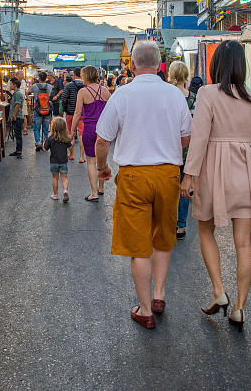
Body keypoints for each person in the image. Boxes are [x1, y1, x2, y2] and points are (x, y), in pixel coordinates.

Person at [95, 41, 192, 330]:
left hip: (134, 175)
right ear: (160, 64)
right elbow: (187, 136)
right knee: (163, 236)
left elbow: (102, 140)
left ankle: (145, 309)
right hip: (168, 174)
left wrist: (102, 168)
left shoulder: (122, 94)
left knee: (139, 247)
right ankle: (160, 295)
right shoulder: (174, 94)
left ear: (132, 65)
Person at [180, 40, 251, 331]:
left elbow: (200, 138)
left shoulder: (207, 93)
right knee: (244, 242)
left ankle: (219, 290)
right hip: (246, 170)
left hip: (213, 171)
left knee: (205, 229)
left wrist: (188, 174)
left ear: (216, 65)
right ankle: (240, 308)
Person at [70, 66, 110, 202]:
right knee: (102, 160)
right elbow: (111, 112)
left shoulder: (82, 92)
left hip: (89, 128)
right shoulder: (105, 91)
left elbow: (77, 113)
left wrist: (71, 132)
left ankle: (93, 193)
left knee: (91, 161)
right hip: (104, 129)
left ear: (85, 76)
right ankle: (101, 188)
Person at [168, 61, 195, 240]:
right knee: (185, 187)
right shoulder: (194, 97)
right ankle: (181, 225)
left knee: (169, 187)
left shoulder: (167, 95)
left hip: (169, 147)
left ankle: (167, 221)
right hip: (188, 148)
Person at [44, 116, 71, 203]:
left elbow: (45, 148)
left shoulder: (50, 138)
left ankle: (55, 195)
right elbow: (70, 146)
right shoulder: (65, 138)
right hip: (63, 161)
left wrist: (45, 142)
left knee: (55, 178)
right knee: (64, 178)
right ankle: (65, 191)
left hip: (54, 162)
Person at [61, 67, 85, 162]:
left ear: (74, 75)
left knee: (71, 133)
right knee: (81, 134)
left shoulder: (69, 86)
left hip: (70, 113)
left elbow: (64, 98)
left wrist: (65, 108)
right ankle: (82, 157)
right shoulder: (85, 85)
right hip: (82, 113)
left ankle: (71, 154)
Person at [28, 71, 53, 151]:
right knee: (46, 128)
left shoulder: (34, 86)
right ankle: (45, 144)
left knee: (36, 128)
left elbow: (27, 92)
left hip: (38, 109)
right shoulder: (49, 86)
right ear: (46, 78)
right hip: (47, 109)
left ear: (39, 78)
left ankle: (38, 142)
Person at [8, 78, 24, 159]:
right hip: (16, 117)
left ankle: (19, 152)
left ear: (14, 84)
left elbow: (17, 105)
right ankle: (17, 150)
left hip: (17, 117)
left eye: (11, 84)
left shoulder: (18, 93)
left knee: (18, 135)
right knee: (17, 134)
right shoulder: (15, 93)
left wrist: (14, 115)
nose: (10, 85)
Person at [15, 70, 30, 135]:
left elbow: (26, 91)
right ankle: (17, 129)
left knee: (24, 114)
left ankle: (25, 129)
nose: (23, 76)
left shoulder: (23, 81)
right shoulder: (12, 81)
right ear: (17, 75)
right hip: (16, 101)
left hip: (23, 100)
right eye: (22, 74)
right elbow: (7, 91)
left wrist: (28, 98)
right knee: (16, 114)